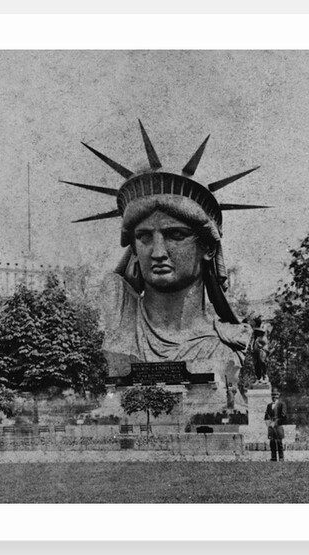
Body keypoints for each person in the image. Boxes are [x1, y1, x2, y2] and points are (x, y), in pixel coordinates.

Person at [67, 122, 255, 391]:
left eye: (175, 235)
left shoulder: (224, 342)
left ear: (208, 249)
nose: (157, 253)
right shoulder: (124, 324)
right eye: (144, 237)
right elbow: (113, 282)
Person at [264, 389, 287, 461]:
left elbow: (283, 416)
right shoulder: (269, 405)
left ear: (278, 396)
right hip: (271, 426)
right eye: (273, 396)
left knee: (279, 442)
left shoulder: (281, 404)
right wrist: (268, 423)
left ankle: (281, 457)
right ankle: (273, 457)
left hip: (278, 426)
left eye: (276, 395)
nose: (274, 397)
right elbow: (266, 416)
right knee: (272, 442)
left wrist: (276, 423)